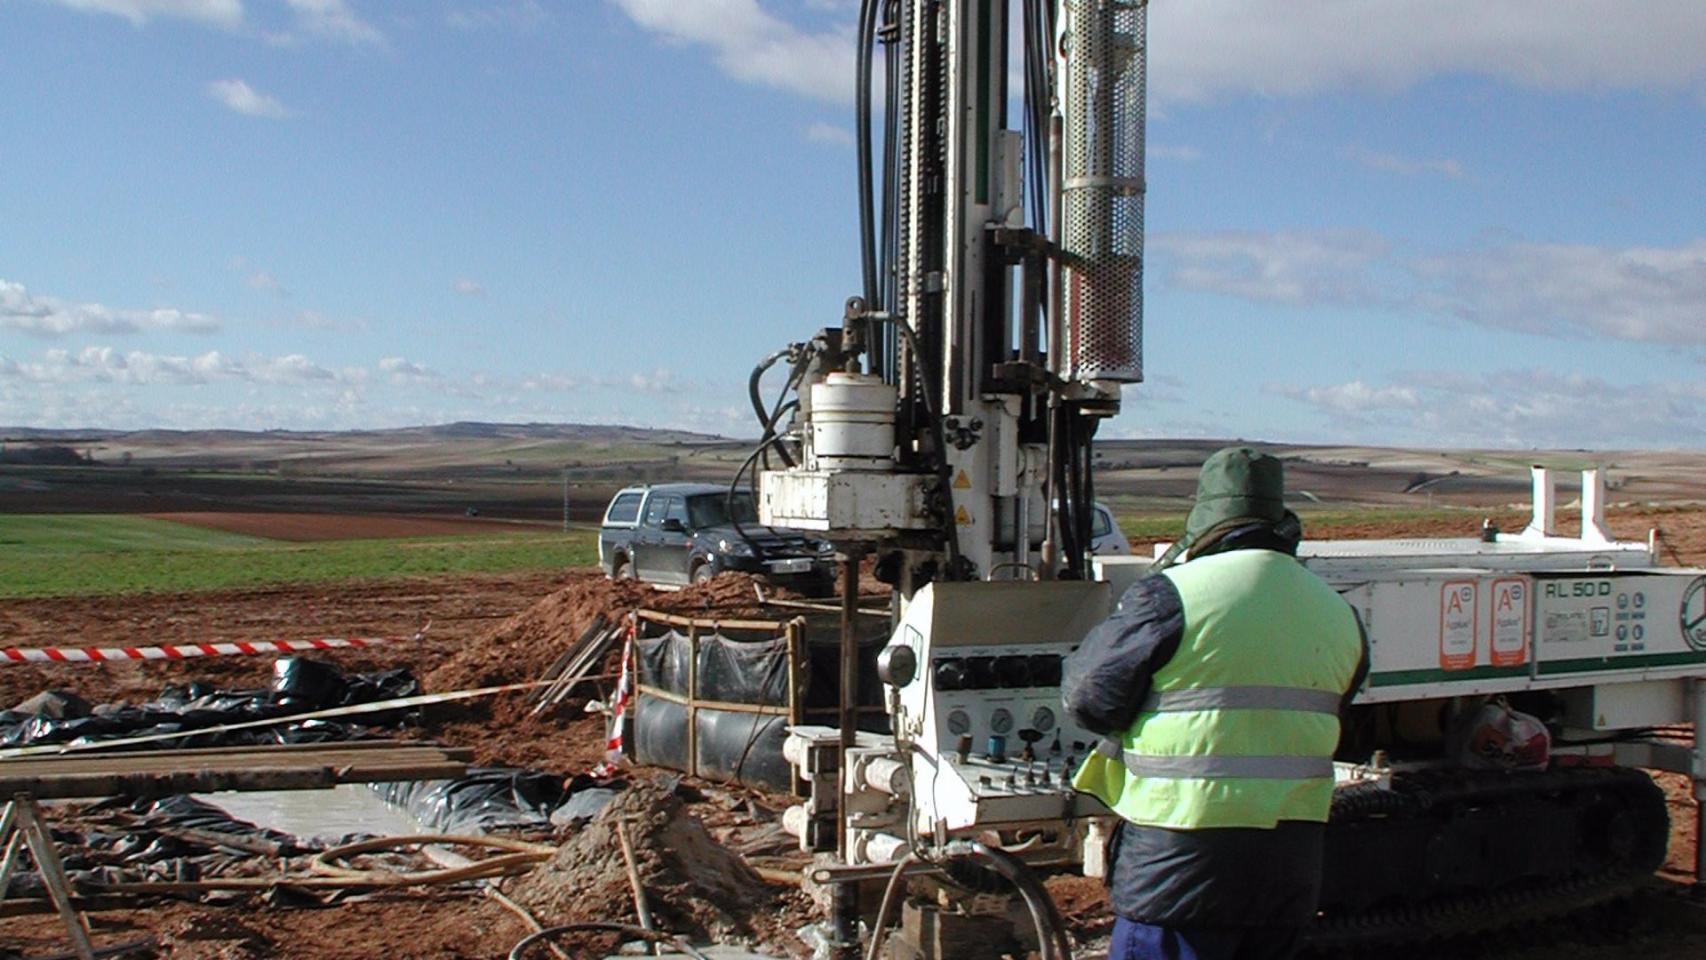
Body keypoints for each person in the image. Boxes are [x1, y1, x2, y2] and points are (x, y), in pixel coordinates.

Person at [1062, 447, 1368, 960]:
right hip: (1288, 865)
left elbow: (1088, 698)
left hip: (1179, 865)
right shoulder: (1337, 611)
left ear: (1205, 517)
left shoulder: (1171, 596)